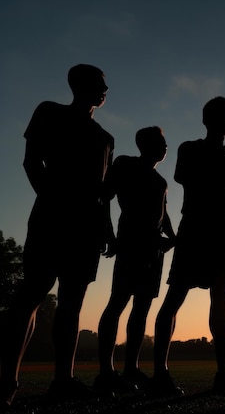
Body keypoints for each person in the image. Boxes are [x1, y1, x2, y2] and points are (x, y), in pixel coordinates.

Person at [0, 64, 114, 408]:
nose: (104, 91)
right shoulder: (49, 113)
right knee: (30, 297)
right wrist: (52, 202)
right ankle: (7, 381)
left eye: (105, 86)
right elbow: (31, 162)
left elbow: (102, 191)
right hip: (51, 221)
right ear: (77, 85)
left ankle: (63, 380)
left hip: (87, 230)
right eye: (98, 84)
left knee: (72, 304)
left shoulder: (105, 138)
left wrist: (105, 226)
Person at [150, 96, 225, 396]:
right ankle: (160, 373)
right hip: (194, 230)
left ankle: (224, 372)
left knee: (221, 301)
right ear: (207, 120)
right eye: (221, 116)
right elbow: (187, 181)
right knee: (174, 297)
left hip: (220, 236)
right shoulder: (189, 149)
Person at [94, 126, 176, 394]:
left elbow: (163, 215)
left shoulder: (160, 181)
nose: (165, 147)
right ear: (146, 144)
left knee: (141, 309)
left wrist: (173, 238)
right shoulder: (125, 165)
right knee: (117, 302)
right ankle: (106, 370)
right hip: (131, 244)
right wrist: (108, 233)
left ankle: (131, 368)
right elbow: (104, 197)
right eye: (160, 142)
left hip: (153, 251)